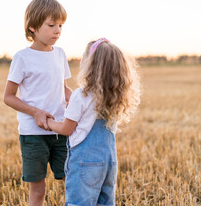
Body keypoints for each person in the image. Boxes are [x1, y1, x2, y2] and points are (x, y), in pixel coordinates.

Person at [42, 38, 141, 206]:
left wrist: (49, 122)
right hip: (109, 162)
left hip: (85, 163)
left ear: (91, 65)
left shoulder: (81, 95)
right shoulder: (113, 97)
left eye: (83, 58)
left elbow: (66, 129)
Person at [3, 0, 72, 206]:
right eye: (51, 25)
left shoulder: (60, 54)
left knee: (71, 180)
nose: (57, 30)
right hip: (33, 134)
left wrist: (79, 102)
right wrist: (35, 112)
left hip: (60, 130)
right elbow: (8, 97)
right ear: (32, 27)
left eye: (60, 25)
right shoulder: (22, 58)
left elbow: (63, 88)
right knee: (38, 189)